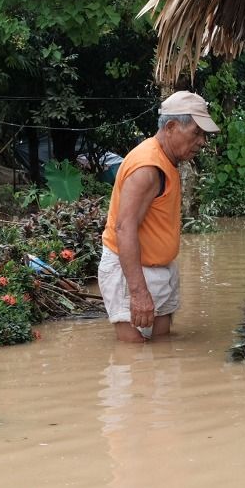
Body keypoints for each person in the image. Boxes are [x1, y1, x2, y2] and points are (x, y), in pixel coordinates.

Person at [98, 91, 219, 342]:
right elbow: (124, 228)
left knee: (162, 353)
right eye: (196, 133)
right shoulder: (147, 167)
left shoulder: (167, 161)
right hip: (132, 271)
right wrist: (138, 292)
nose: (202, 142)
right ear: (172, 127)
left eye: (204, 135)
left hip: (160, 268)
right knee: (133, 357)